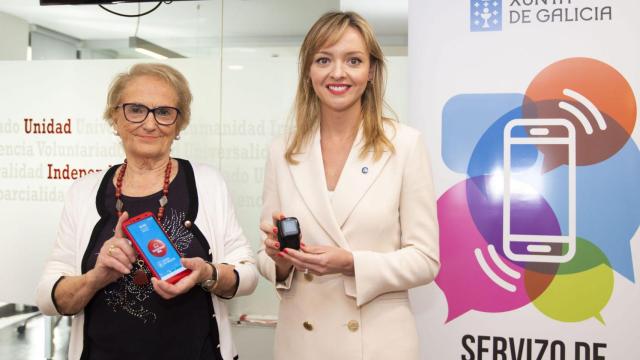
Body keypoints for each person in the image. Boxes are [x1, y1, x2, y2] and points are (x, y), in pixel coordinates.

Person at [36, 63, 258, 360]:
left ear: (179, 124)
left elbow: (248, 274)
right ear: (114, 117)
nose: (150, 124)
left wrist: (207, 273)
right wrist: (96, 278)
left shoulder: (207, 183)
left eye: (164, 112)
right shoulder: (83, 192)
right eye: (136, 109)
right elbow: (50, 299)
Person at [257, 11, 440, 360]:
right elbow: (267, 258)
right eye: (324, 60)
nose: (337, 73)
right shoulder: (282, 150)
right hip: (301, 344)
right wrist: (278, 259)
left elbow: (425, 260)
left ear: (370, 72)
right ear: (308, 71)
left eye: (353, 60)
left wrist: (351, 263)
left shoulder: (404, 145)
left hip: (377, 345)